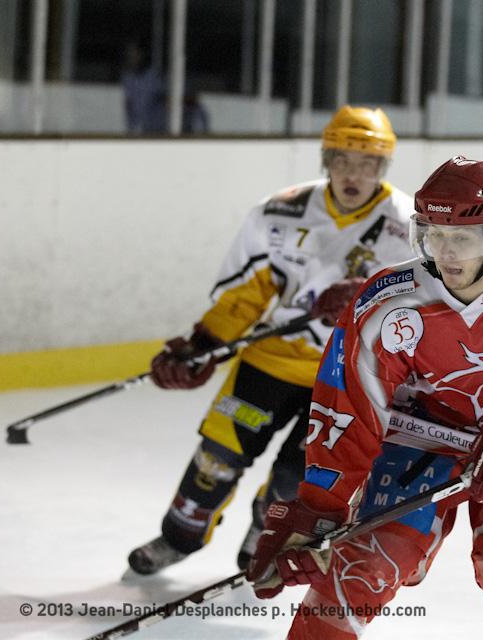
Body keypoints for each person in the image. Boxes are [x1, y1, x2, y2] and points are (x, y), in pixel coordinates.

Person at [246, 156, 483, 640]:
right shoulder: (389, 302)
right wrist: (318, 509)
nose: (446, 253)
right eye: (433, 235)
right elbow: (347, 408)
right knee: (358, 571)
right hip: (422, 436)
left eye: (463, 238)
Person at [127, 106, 415, 575]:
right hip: (269, 362)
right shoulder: (280, 211)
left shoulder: (410, 226)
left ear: (383, 167)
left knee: (296, 477)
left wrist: (365, 303)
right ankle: (177, 538)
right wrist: (204, 343)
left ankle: (265, 537)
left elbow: (422, 311)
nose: (354, 174)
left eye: (368, 164)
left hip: (345, 375)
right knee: (216, 457)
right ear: (326, 160)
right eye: (343, 160)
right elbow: (246, 295)